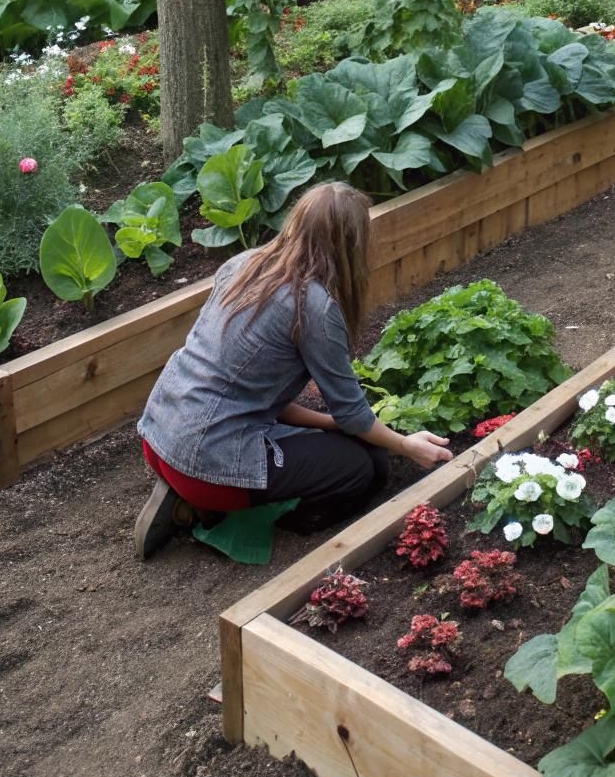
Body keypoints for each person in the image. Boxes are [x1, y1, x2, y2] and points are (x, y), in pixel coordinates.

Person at [134, 180, 452, 559]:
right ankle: (214, 512)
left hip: (158, 436)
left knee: (358, 447)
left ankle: (186, 494)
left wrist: (330, 425)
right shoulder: (312, 307)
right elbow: (352, 413)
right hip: (208, 462)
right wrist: (405, 445)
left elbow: (259, 394)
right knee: (366, 469)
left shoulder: (244, 264)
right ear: (349, 245)